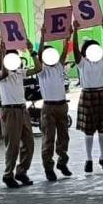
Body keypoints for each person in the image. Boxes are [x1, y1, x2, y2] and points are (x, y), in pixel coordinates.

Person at [72, 20, 103, 173]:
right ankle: (88, 159)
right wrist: (75, 31)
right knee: (89, 131)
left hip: (102, 94)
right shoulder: (82, 63)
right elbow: (75, 49)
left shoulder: (102, 60)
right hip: (88, 95)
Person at [33, 30, 73, 181]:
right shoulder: (41, 70)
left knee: (64, 137)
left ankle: (62, 162)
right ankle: (48, 167)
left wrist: (67, 37)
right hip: (48, 107)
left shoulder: (58, 66)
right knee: (48, 138)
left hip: (62, 106)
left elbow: (63, 53)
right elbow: (39, 55)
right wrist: (43, 37)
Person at [0, 44, 34, 188]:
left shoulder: (19, 72)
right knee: (13, 145)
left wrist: (31, 51)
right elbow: (3, 75)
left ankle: (22, 171)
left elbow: (38, 69)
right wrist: (3, 54)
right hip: (9, 110)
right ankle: (8, 174)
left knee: (29, 143)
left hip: (23, 109)